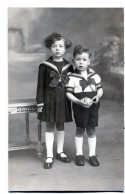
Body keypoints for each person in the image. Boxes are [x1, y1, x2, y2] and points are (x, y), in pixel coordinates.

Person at [36, 32, 73, 169]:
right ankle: (50, 155)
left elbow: (73, 84)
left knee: (61, 125)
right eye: (54, 46)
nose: (57, 48)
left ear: (65, 49)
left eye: (60, 46)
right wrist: (40, 102)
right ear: (49, 48)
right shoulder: (44, 66)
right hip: (49, 100)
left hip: (63, 100)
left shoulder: (69, 66)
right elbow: (40, 86)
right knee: (50, 126)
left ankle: (60, 151)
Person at [66, 45, 103, 167]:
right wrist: (78, 101)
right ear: (73, 61)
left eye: (84, 59)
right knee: (80, 129)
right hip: (79, 106)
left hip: (93, 106)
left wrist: (96, 97)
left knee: (91, 129)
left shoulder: (95, 76)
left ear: (89, 61)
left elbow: (100, 90)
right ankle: (79, 154)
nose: (81, 62)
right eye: (78, 59)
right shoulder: (72, 78)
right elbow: (68, 93)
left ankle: (92, 155)